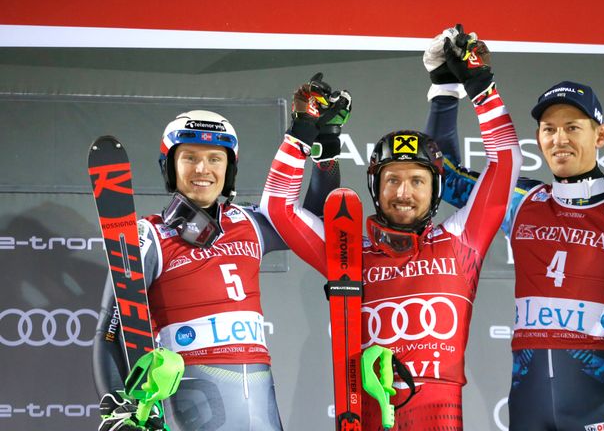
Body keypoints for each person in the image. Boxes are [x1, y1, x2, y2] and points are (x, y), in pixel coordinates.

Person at [424, 32, 604, 430]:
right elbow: (443, 175)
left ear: (600, 135)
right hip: (528, 407)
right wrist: (444, 88)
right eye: (549, 129)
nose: (559, 140)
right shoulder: (522, 200)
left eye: (573, 127)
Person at [259, 35, 521, 430]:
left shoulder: (460, 242)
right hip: (363, 418)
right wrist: (301, 134)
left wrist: (482, 86)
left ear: (435, 190)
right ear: (375, 188)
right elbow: (277, 208)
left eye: (417, 181)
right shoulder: (349, 254)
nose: (403, 193)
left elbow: (505, 162)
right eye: (392, 180)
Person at [93, 100, 347, 430]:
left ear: (230, 169)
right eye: (190, 158)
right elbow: (109, 333)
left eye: (215, 159)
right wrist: (117, 407)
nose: (203, 169)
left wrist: (325, 144)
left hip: (260, 404)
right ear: (170, 166)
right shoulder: (148, 235)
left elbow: (312, 220)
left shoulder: (250, 222)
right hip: (187, 406)